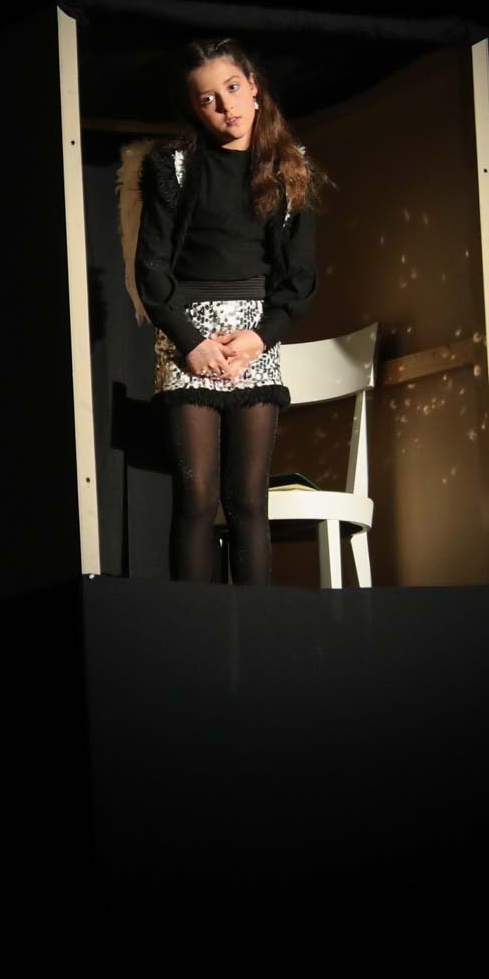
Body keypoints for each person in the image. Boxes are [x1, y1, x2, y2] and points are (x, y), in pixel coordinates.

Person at [134, 38, 322, 585]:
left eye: (233, 88)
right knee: (196, 494)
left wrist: (261, 337)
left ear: (254, 87)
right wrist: (190, 340)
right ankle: (195, 626)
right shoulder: (173, 167)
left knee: (248, 500)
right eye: (208, 99)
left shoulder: (288, 168)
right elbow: (152, 267)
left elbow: (300, 277)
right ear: (196, 110)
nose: (226, 106)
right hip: (188, 334)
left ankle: (257, 626)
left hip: (253, 337)